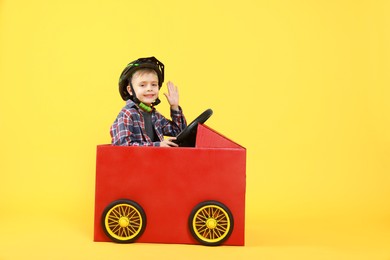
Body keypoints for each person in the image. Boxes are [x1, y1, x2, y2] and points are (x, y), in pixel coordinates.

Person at [110, 56, 187, 147]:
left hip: (153, 161)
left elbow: (178, 133)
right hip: (134, 161)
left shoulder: (155, 115)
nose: (149, 89)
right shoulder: (128, 114)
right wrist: (157, 145)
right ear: (130, 90)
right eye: (142, 85)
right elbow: (124, 146)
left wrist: (174, 107)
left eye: (154, 84)